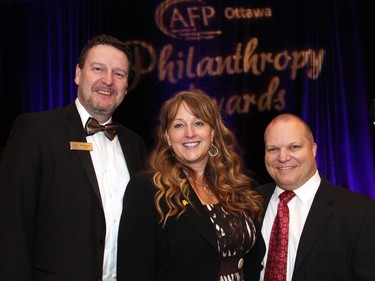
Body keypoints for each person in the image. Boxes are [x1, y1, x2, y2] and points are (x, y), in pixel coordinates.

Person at [0, 34, 147, 280]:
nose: (108, 80)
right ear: (78, 73)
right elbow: (12, 226)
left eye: (119, 74)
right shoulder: (35, 131)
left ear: (126, 85)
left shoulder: (136, 145)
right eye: (98, 68)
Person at [117, 89, 264, 281]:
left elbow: (253, 259)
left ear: (212, 132)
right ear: (168, 137)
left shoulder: (236, 186)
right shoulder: (147, 189)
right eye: (179, 125)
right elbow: (134, 272)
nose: (189, 133)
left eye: (199, 123)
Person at [255, 113, 375, 281]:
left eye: (294, 147)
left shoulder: (361, 213)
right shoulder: (248, 202)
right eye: (273, 149)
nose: (283, 157)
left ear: (313, 149)